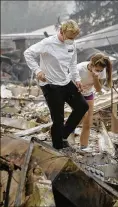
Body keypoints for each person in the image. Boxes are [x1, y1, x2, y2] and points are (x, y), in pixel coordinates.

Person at [24, 20, 89, 150]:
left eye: (74, 37)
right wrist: (38, 71)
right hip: (50, 84)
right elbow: (28, 53)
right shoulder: (48, 43)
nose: (72, 40)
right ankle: (58, 147)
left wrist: (77, 79)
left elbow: (72, 63)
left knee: (82, 106)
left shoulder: (72, 44)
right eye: (69, 37)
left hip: (65, 81)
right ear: (62, 31)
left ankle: (62, 135)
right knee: (58, 119)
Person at [68, 53, 113, 152]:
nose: (99, 72)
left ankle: (84, 146)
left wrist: (96, 77)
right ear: (91, 64)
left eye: (101, 70)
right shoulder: (80, 68)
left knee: (88, 121)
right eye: (97, 70)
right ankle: (69, 133)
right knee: (81, 116)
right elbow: (67, 83)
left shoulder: (101, 71)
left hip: (88, 93)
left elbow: (98, 89)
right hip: (75, 93)